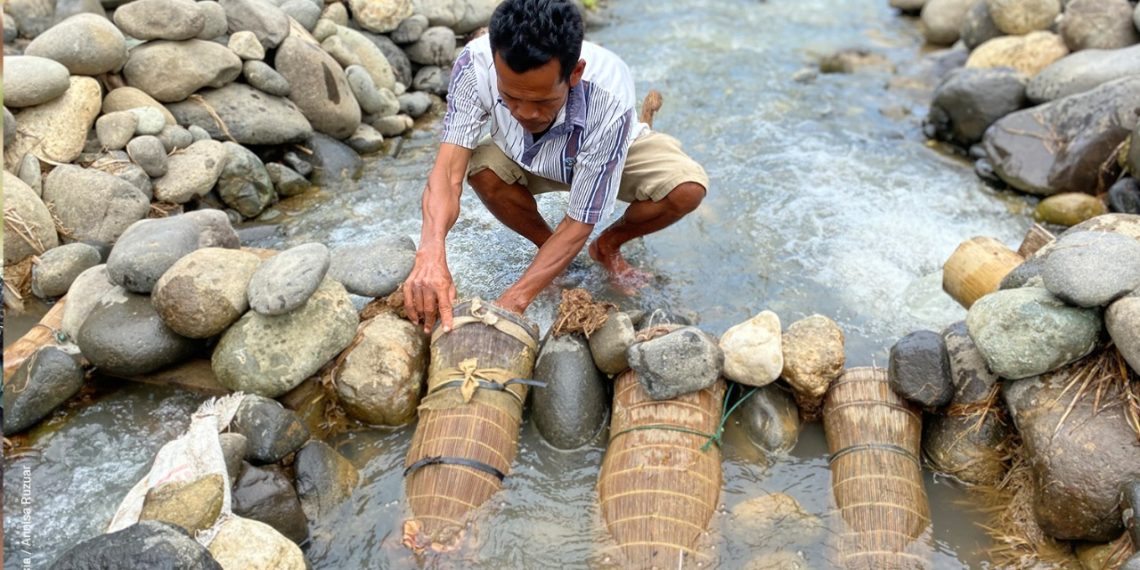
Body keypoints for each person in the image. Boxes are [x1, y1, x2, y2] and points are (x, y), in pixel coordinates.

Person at [402, 0, 709, 333]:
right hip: (523, 153)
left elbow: (579, 221)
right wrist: (430, 255)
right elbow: (447, 175)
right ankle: (548, 251)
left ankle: (607, 247)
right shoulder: (475, 65)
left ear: (575, 73)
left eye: (542, 101)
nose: (526, 113)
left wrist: (510, 305)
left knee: (686, 188)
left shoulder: (610, 99)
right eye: (511, 98)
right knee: (479, 166)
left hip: (608, 151)